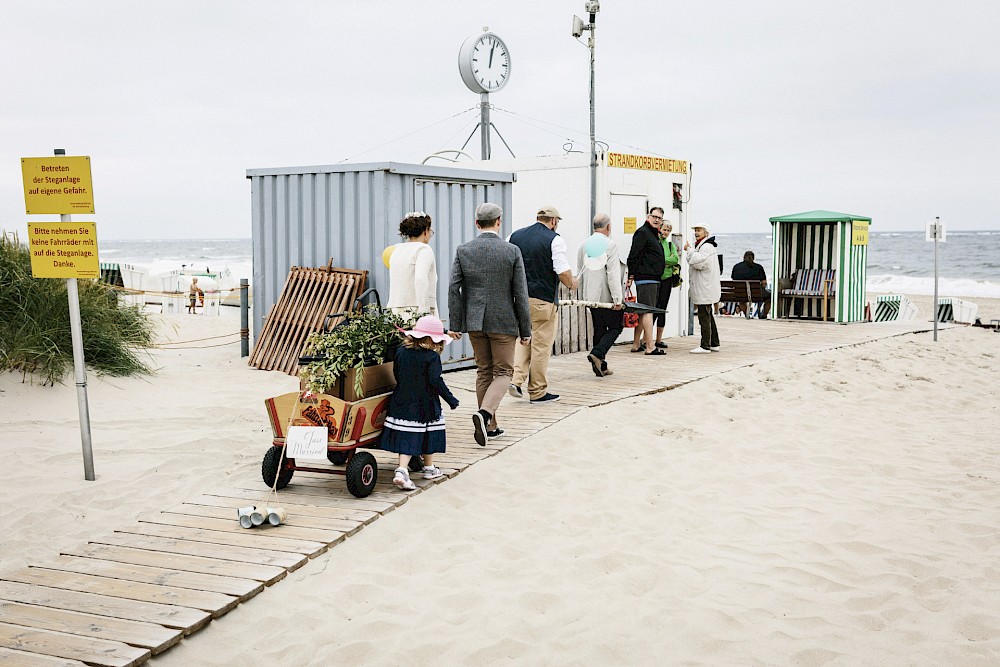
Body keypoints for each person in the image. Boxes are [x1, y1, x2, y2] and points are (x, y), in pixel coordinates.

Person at [447, 203, 532, 446]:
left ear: (476, 223)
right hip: (503, 321)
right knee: (505, 372)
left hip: (475, 321)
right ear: (499, 221)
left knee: (484, 371)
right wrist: (525, 330)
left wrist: (456, 323)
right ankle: (484, 415)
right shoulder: (511, 251)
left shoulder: (464, 250)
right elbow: (520, 294)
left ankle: (490, 426)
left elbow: (454, 288)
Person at [379, 315, 459, 491]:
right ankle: (429, 468)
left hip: (401, 400)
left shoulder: (400, 352)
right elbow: (436, 381)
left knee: (408, 437)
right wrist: (451, 399)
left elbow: (397, 374)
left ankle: (401, 469)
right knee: (430, 433)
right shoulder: (431, 357)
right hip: (426, 403)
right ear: (432, 340)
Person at [507, 206, 578, 403]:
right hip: (542, 300)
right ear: (554, 221)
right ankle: (537, 391)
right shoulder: (555, 240)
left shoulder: (515, 236)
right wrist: (572, 283)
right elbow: (562, 271)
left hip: (517, 299)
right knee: (540, 346)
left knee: (523, 339)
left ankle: (515, 379)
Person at [577, 213, 624, 377]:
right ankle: (597, 354)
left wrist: (583, 297)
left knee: (599, 328)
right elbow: (612, 273)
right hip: (606, 296)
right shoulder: (610, 245)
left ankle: (600, 366)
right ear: (609, 227)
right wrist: (618, 298)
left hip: (590, 295)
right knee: (616, 326)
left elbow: (580, 273)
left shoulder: (584, 245)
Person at [626, 207, 667, 356]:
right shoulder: (643, 233)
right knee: (648, 311)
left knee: (643, 311)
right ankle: (650, 346)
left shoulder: (653, 234)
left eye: (659, 218)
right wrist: (630, 276)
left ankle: (637, 344)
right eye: (654, 216)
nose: (657, 220)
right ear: (648, 216)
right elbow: (633, 255)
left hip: (652, 278)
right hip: (646, 278)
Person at [386, 211, 438, 318]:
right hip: (416, 310)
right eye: (430, 231)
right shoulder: (423, 249)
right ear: (425, 231)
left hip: (395, 310)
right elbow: (420, 279)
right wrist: (424, 313)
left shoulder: (396, 250)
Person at [684, 224, 721, 353]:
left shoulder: (706, 247)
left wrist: (689, 250)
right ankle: (714, 343)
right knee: (708, 314)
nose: (696, 233)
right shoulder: (706, 246)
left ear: (706, 233)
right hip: (707, 287)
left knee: (703, 316)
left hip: (704, 287)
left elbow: (697, 262)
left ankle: (705, 345)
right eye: (695, 230)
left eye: (698, 230)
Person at [653, 220, 681, 349]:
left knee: (662, 309)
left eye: (668, 230)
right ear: (659, 229)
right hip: (655, 279)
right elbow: (654, 259)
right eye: (664, 229)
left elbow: (675, 259)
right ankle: (645, 339)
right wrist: (666, 260)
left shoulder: (670, 245)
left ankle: (659, 340)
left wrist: (662, 260)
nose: (666, 232)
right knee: (652, 308)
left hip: (667, 279)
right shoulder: (655, 242)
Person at [731, 250, 772, 319]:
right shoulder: (758, 267)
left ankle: (746, 314)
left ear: (744, 257)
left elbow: (734, 281)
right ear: (753, 258)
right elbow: (764, 283)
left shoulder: (736, 267)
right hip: (757, 294)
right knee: (770, 297)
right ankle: (764, 315)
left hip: (740, 294)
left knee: (741, 301)